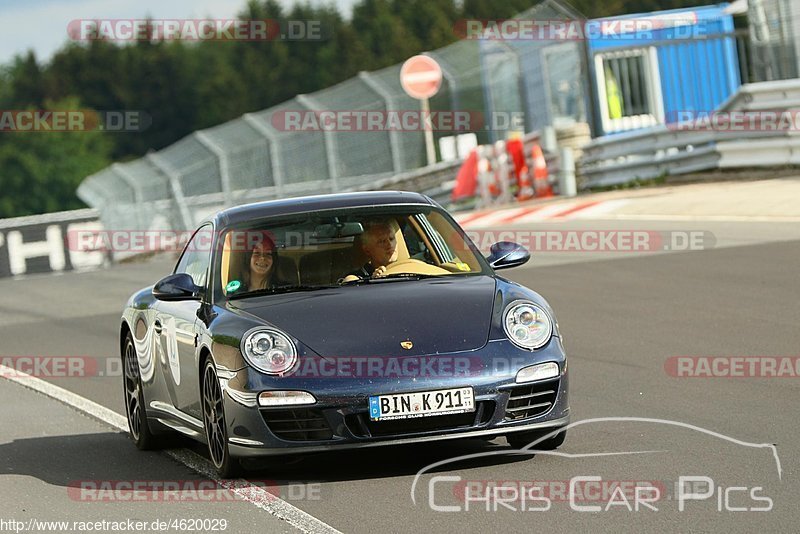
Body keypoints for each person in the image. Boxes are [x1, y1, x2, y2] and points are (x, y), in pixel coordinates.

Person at [340, 219, 399, 283]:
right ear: (367, 250)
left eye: (391, 238)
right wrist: (374, 282)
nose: (389, 245)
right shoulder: (358, 277)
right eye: (382, 241)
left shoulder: (409, 268)